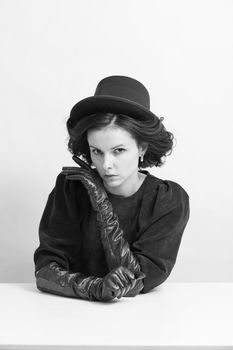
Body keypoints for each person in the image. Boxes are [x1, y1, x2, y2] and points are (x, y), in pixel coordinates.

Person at [33, 75, 190, 302]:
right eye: (96, 151)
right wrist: (95, 288)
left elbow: (136, 280)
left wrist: (101, 204)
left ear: (142, 148)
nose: (106, 165)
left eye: (118, 150)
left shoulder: (167, 200)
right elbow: (45, 271)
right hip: (67, 315)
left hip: (141, 322)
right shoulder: (71, 187)